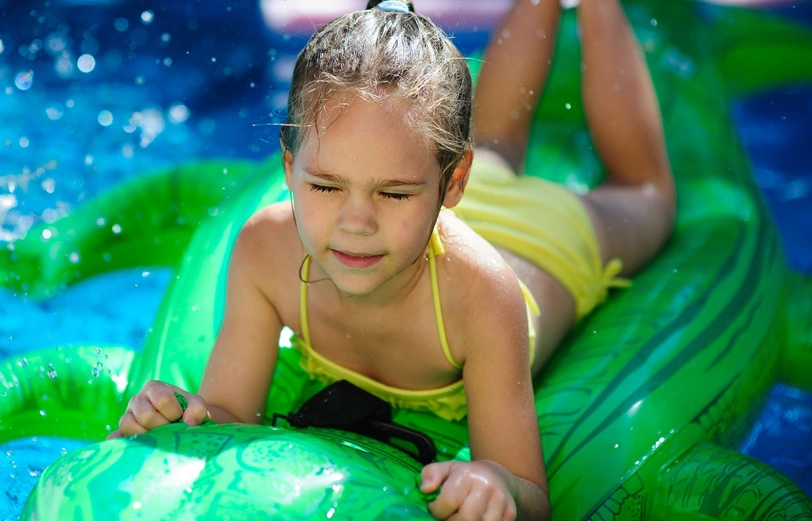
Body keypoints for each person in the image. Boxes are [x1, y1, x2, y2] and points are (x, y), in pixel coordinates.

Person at [110, 0, 675, 519]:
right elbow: (231, 414)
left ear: (452, 183)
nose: (356, 223)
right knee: (497, 144)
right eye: (325, 186)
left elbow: (529, 492)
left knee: (645, 192)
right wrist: (187, 415)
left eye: (393, 194)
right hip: (435, 203)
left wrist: (497, 484)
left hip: (541, 239)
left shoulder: (482, 299)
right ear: (288, 167)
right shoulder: (266, 251)